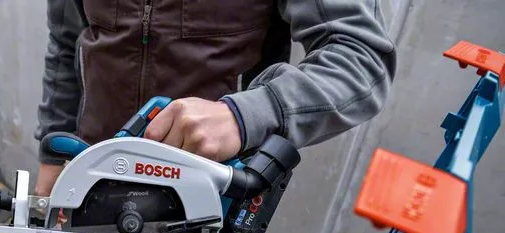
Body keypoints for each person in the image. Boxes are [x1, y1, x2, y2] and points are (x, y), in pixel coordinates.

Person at [33, 0, 396, 196]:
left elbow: (360, 58)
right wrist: (53, 153)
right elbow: (67, 42)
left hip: (212, 191)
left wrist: (246, 115)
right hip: (92, 172)